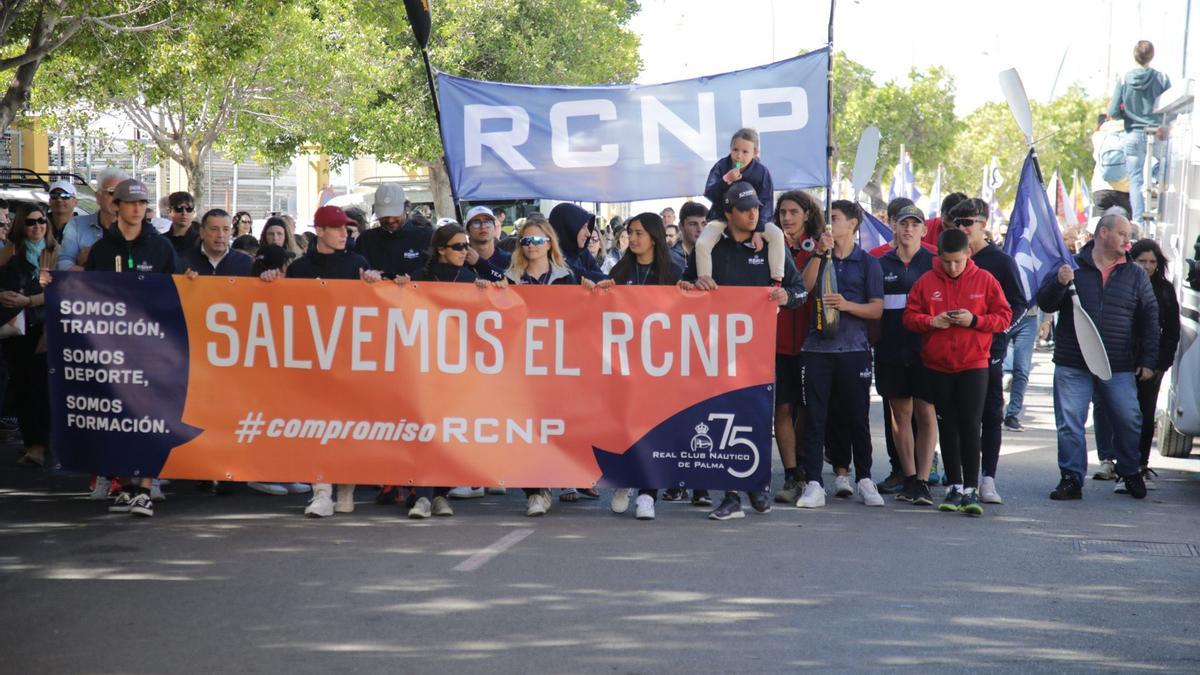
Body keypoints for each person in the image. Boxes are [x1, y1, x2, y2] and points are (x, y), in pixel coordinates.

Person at [680, 182, 807, 521]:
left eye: (756, 208)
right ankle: (731, 495)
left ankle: (754, 485)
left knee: (756, 418)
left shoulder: (769, 245)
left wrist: (787, 297)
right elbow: (683, 287)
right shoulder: (710, 247)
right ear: (728, 213)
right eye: (745, 209)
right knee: (722, 417)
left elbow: (799, 290)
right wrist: (694, 285)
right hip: (714, 350)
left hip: (758, 352)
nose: (753, 214)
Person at [260, 205, 381, 517]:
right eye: (336, 228)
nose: (344, 234)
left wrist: (374, 284)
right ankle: (321, 491)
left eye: (345, 228)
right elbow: (283, 306)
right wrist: (270, 281)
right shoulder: (300, 267)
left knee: (349, 427)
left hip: (350, 358)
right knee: (318, 427)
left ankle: (346, 491)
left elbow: (375, 306)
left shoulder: (358, 263)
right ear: (320, 231)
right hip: (312, 360)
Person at [1038, 213, 1158, 501]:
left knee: (1129, 418)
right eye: (1122, 234)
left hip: (1116, 363)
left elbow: (1150, 318)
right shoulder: (1070, 266)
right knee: (1070, 423)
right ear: (1103, 233)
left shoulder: (1135, 274)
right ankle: (1071, 478)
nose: (1128, 241)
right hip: (1073, 361)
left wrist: (1148, 360)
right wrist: (1059, 282)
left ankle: (1129, 471)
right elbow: (1046, 303)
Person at [82, 179, 178, 516]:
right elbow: (86, 293)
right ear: (116, 206)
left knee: (149, 417)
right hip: (112, 346)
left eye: (142, 203)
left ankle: (146, 489)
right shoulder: (101, 249)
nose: (137, 209)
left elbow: (178, 290)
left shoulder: (161, 247)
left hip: (152, 346)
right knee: (117, 417)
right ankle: (125, 486)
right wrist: (53, 284)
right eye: (131, 203)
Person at [904, 228, 1012, 516]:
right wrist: (931, 321)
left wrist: (974, 320)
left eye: (958, 261)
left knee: (970, 424)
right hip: (937, 365)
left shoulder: (985, 279)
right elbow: (910, 317)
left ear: (968, 254)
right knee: (947, 425)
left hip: (974, 363)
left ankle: (971, 488)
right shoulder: (926, 281)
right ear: (938, 256)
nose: (952, 267)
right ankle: (954, 485)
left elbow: (1004, 317)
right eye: (946, 261)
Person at [587, 212, 681, 521]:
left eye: (639, 232)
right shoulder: (620, 269)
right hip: (623, 364)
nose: (633, 238)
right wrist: (601, 293)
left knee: (652, 429)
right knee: (623, 426)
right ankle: (624, 480)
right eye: (630, 232)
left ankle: (647, 494)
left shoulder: (673, 271)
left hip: (658, 366)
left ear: (654, 236)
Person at [400, 224, 496, 518]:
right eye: (458, 246)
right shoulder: (419, 277)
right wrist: (399, 286)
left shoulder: (469, 278)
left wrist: (488, 292)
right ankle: (424, 497)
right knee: (426, 431)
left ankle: (439, 495)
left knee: (447, 434)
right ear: (441, 249)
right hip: (424, 365)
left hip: (457, 368)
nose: (465, 251)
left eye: (466, 246)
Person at [794, 200, 884, 510]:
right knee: (815, 418)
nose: (828, 224)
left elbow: (876, 309)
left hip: (854, 350)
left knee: (857, 417)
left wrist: (846, 305)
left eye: (834, 218)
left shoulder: (868, 263)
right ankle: (814, 482)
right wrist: (820, 253)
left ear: (853, 224)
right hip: (816, 350)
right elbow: (803, 289)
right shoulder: (818, 254)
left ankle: (865, 478)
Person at [948, 198, 1026, 504]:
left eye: (969, 222)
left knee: (991, 414)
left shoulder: (1001, 262)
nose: (963, 228)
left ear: (983, 224)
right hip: (954, 353)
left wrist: (998, 329)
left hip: (989, 351)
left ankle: (988, 479)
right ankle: (958, 480)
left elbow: (1019, 304)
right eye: (958, 223)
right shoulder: (948, 258)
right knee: (957, 416)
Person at [504, 218, 579, 517]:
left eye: (537, 240)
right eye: (526, 241)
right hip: (521, 364)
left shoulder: (567, 277)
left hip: (557, 363)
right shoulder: (510, 278)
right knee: (525, 426)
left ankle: (555, 478)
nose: (531, 246)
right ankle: (535, 491)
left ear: (549, 243)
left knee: (554, 425)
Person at [1093, 239, 1180, 489]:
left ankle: (1139, 465)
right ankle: (1111, 459)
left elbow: (1171, 330)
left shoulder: (1164, 290)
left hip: (1150, 363)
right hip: (1118, 358)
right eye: (1142, 261)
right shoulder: (1121, 282)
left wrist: (1161, 364)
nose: (1147, 266)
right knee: (1110, 409)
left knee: (1144, 412)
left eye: (1152, 262)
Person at [874, 205, 938, 505]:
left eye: (915, 224)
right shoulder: (879, 263)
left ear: (924, 230)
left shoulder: (935, 262)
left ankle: (923, 480)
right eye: (904, 223)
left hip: (926, 351)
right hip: (890, 351)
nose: (909, 229)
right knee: (900, 416)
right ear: (894, 227)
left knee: (925, 413)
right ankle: (909, 477)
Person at [771, 190, 823, 505]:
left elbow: (806, 287)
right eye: (782, 213)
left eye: (793, 212)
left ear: (807, 214)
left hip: (811, 341)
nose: (787, 218)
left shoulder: (819, 246)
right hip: (776, 342)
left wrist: (819, 252)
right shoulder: (769, 244)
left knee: (806, 408)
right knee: (782, 407)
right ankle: (791, 473)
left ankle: (803, 462)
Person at [1, 207, 56, 468]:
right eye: (31, 222)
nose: (37, 226)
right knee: (22, 385)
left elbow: (63, 291)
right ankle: (32, 441)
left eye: (41, 221)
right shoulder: (10, 251)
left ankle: (42, 444)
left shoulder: (55, 252)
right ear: (21, 225)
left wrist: (30, 300)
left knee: (42, 386)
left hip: (46, 328)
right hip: (17, 328)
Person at [697, 128, 785, 284]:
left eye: (745, 152)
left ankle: (777, 281)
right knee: (702, 243)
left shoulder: (761, 172)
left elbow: (766, 202)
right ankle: (705, 282)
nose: (739, 156)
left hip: (754, 220)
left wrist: (758, 230)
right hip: (723, 217)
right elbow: (709, 193)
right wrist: (726, 180)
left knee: (777, 235)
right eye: (735, 150)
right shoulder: (721, 166)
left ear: (755, 153)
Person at [1109, 40, 1171, 223]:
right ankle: (1162, 215)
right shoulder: (1161, 78)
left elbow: (1113, 111)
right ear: (1152, 56)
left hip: (1133, 134)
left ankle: (1138, 221)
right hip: (1157, 132)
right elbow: (1172, 108)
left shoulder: (1124, 79)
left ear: (1134, 55)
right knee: (1165, 172)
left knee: (1135, 180)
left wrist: (1128, 115)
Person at [353, 183, 430, 279]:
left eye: (395, 214)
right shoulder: (365, 239)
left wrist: (413, 278)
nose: (390, 220)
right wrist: (367, 274)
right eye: (384, 215)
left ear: (405, 208)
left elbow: (435, 271)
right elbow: (355, 270)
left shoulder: (427, 236)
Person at [57, 167, 126, 271]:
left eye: (122, 193)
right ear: (98, 197)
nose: (117, 198)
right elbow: (62, 263)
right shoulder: (77, 225)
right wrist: (91, 273)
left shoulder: (137, 228)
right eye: (112, 192)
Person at [548, 203, 606, 282]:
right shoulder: (552, 258)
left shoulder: (582, 253)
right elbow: (580, 275)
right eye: (583, 227)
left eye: (587, 227)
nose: (588, 234)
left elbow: (602, 277)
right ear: (569, 228)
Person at [1091, 114, 1133, 217]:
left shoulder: (1098, 135)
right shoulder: (1131, 133)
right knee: (1124, 225)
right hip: (1125, 188)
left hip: (1100, 187)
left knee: (1099, 224)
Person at [462, 205, 511, 282]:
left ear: (495, 228)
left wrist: (479, 262)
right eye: (476, 223)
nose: (483, 226)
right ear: (467, 231)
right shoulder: (460, 259)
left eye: (487, 222)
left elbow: (513, 282)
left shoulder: (509, 259)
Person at [668, 200, 705, 272]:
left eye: (704, 224)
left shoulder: (714, 254)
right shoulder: (670, 258)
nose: (700, 229)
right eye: (693, 224)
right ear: (681, 226)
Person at [164, 191, 199, 255]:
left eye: (189, 209)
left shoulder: (202, 242)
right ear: (169, 212)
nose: (184, 213)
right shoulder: (161, 241)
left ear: (193, 212)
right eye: (179, 209)